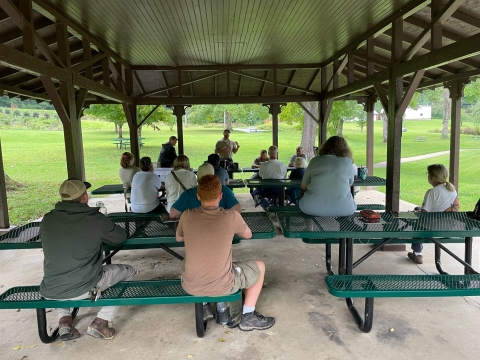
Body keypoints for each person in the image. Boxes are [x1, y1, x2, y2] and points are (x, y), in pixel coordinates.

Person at [176, 174, 275, 331]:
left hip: (190, 285)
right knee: (260, 266)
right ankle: (248, 315)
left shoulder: (187, 215)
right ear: (221, 196)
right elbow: (248, 234)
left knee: (186, 262)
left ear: (198, 196)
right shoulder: (231, 216)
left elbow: (179, 237)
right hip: (223, 285)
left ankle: (204, 304)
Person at [39, 179, 135, 341]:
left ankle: (64, 320)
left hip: (51, 289)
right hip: (85, 287)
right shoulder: (95, 219)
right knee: (128, 271)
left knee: (61, 277)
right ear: (84, 197)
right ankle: (101, 321)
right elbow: (120, 237)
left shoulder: (47, 219)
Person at [408, 164, 460, 264]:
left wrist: (414, 214)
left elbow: (424, 214)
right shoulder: (452, 189)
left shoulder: (432, 192)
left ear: (432, 177)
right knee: (418, 209)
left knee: (416, 221)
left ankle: (417, 253)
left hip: (434, 227)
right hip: (449, 225)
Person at [299, 136, 356, 217]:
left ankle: (309, 227)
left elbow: (303, 186)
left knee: (301, 193)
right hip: (345, 209)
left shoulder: (315, 161)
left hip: (310, 208)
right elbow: (349, 184)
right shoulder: (347, 162)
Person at [169, 163, 241, 218]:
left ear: (198, 178)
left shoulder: (188, 194)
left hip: (196, 233)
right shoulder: (224, 190)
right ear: (214, 176)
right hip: (221, 232)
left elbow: (173, 214)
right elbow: (237, 211)